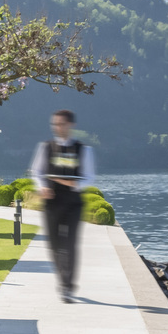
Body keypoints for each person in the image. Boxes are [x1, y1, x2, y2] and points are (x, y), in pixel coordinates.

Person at [30, 109, 95, 303]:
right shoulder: (46, 147)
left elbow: (89, 176)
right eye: (55, 124)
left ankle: (67, 286)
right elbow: (36, 171)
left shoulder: (84, 150)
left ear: (70, 125)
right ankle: (62, 279)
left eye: (61, 124)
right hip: (52, 202)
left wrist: (75, 184)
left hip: (73, 202)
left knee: (70, 243)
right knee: (54, 245)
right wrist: (42, 187)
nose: (58, 128)